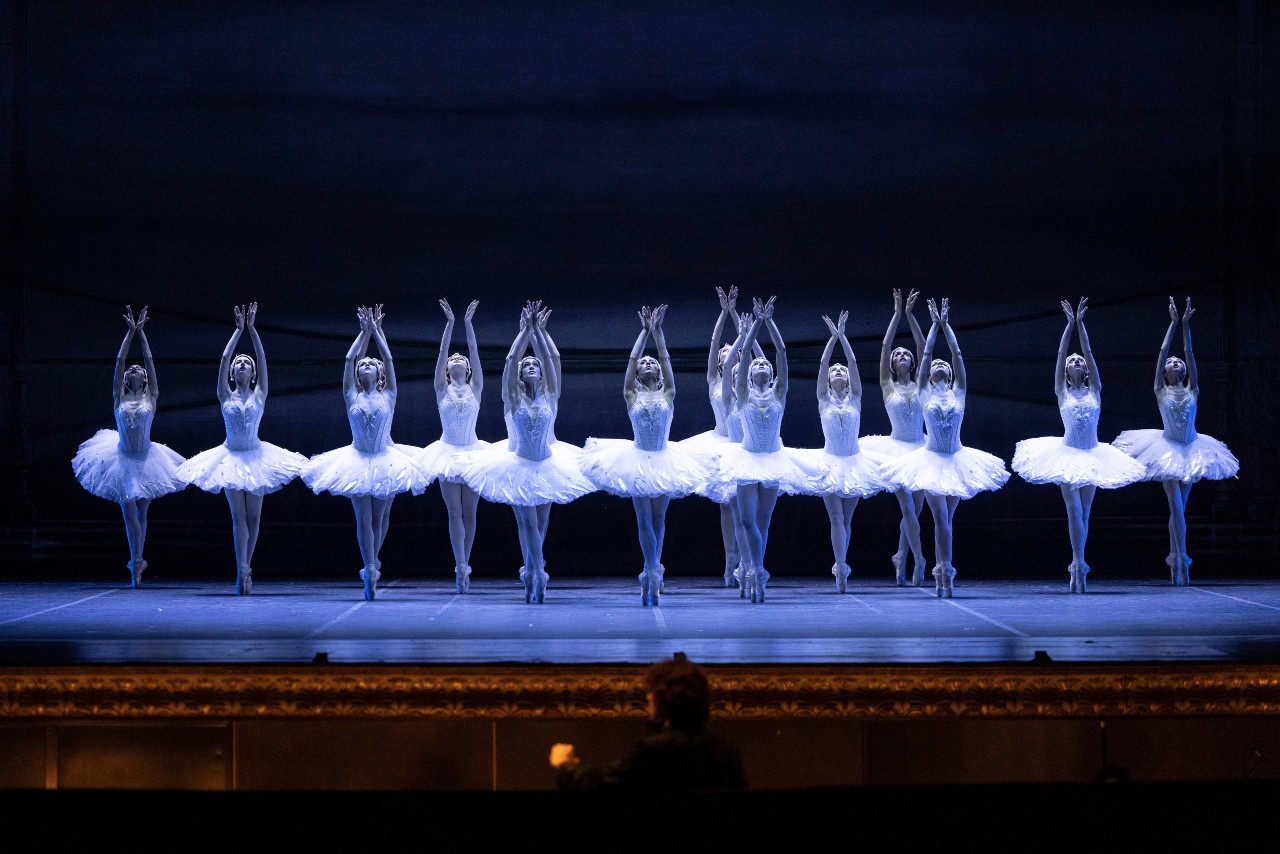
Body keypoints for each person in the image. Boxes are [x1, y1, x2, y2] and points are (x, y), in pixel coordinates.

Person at [461, 301, 594, 603]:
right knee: (527, 522)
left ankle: (531, 570)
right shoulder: (512, 399)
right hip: (517, 464)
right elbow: (510, 360)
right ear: (521, 376)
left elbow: (554, 359)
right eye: (528, 365)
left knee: (539, 523)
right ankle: (538, 573)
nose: (532, 366)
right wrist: (524, 333)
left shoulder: (551, 397)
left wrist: (539, 333)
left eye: (535, 365)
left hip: (547, 463)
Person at [578, 305, 709, 605]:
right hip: (636, 459)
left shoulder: (668, 394)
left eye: (653, 362)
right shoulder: (631, 395)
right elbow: (632, 359)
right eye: (644, 362)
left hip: (664, 458)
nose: (649, 363)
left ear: (659, 372)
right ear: (638, 373)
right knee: (644, 519)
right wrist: (643, 333)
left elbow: (665, 358)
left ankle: (655, 569)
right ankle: (650, 570)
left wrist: (658, 334)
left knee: (659, 517)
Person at [1011, 298, 1144, 592]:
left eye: (1078, 361)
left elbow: (1090, 353)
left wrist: (1081, 325)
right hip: (1067, 454)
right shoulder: (1062, 392)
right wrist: (1068, 326)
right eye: (1072, 361)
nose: (1074, 362)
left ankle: (1078, 565)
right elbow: (1060, 355)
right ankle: (1078, 563)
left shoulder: (1095, 390)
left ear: (1084, 371)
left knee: (1085, 512)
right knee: (1073, 511)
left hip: (1094, 453)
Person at [881, 298, 1009, 597]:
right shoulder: (922, 391)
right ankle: (942, 572)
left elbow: (956, 354)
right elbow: (925, 353)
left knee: (947, 521)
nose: (938, 364)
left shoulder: (959, 393)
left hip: (957, 459)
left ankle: (939, 566)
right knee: (937, 517)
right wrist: (926, 326)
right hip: (929, 458)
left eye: (943, 365)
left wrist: (945, 325)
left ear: (951, 375)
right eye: (933, 364)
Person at [176, 303, 307, 594]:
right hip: (231, 456)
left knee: (254, 517)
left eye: (246, 363)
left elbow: (261, 357)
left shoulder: (260, 393)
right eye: (239, 363)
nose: (242, 364)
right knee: (238, 517)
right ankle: (240, 570)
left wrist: (254, 329)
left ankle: (248, 566)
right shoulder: (225, 394)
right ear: (234, 373)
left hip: (258, 455)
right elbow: (224, 358)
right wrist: (238, 331)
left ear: (253, 372)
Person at [301, 305, 428, 600]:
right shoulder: (351, 395)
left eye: (372, 363)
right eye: (364, 364)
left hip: (384, 458)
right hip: (357, 459)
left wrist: (377, 333)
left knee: (380, 518)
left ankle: (373, 559)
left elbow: (389, 358)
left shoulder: (390, 394)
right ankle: (369, 568)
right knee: (363, 519)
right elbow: (348, 358)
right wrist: (363, 333)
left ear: (380, 373)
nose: (367, 364)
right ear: (358, 373)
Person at [1113, 297, 1239, 585]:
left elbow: (1190, 351)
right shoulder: (1160, 390)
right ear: (1165, 372)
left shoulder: (1193, 390)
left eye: (1177, 362)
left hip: (1193, 449)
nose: (1173, 362)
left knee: (1179, 507)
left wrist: (1185, 325)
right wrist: (1171, 324)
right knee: (1175, 507)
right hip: (1166, 449)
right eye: (1170, 362)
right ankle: (1182, 558)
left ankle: (1175, 557)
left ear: (1183, 371)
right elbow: (1161, 352)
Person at [711, 297, 820, 603]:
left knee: (762, 521)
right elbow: (741, 357)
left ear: (771, 374)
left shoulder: (779, 394)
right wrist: (749, 329)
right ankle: (748, 567)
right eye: (755, 363)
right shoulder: (741, 394)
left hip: (772, 459)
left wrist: (767, 321)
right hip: (746, 458)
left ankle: (757, 568)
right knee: (745, 520)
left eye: (764, 363)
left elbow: (782, 352)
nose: (759, 364)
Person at [72, 305, 187, 587]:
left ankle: (139, 561)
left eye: (139, 369)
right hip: (122, 458)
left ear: (145, 379)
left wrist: (142, 333)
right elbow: (120, 360)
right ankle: (135, 564)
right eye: (131, 369)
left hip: (147, 457)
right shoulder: (118, 398)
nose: (134, 368)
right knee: (129, 513)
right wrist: (129, 333)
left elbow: (147, 359)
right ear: (126, 379)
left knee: (143, 512)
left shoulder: (152, 397)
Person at [550, 653, 747, 791]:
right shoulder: (727, 752)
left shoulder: (655, 751)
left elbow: (604, 781)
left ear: (661, 700)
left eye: (653, 694)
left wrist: (565, 766)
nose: (648, 698)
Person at [796, 311, 888, 592]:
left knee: (847, 518)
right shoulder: (823, 399)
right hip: (830, 462)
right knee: (836, 517)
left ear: (848, 381)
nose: (837, 371)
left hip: (855, 462)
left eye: (842, 371)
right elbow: (824, 362)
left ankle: (842, 562)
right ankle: (841, 567)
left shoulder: (856, 399)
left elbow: (853, 362)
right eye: (834, 371)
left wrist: (844, 337)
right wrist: (832, 339)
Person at [679, 287, 763, 588]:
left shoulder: (749, 383)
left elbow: (756, 354)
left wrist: (746, 335)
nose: (728, 355)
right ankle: (731, 558)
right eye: (725, 355)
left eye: (734, 352)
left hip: (744, 445)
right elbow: (715, 343)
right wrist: (725, 313)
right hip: (719, 443)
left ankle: (746, 561)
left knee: (744, 509)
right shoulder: (717, 379)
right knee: (728, 507)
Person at [415, 299, 489, 593]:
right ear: (447, 369)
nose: (457, 357)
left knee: (470, 512)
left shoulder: (476, 388)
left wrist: (468, 325)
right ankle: (459, 565)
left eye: (462, 359)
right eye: (452, 359)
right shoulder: (440, 389)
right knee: (454, 512)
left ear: (468, 370)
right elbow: (443, 351)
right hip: (446, 452)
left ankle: (465, 564)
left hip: (472, 451)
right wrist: (449, 325)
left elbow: (473, 351)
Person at [860, 288, 929, 587]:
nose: (901, 355)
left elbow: (925, 347)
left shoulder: (922, 385)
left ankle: (900, 555)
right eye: (897, 355)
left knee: (917, 510)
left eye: (906, 354)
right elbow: (886, 344)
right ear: (891, 363)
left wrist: (911, 316)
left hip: (923, 447)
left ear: (913, 364)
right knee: (907, 509)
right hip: (897, 450)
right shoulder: (887, 385)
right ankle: (921, 559)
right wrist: (896, 314)